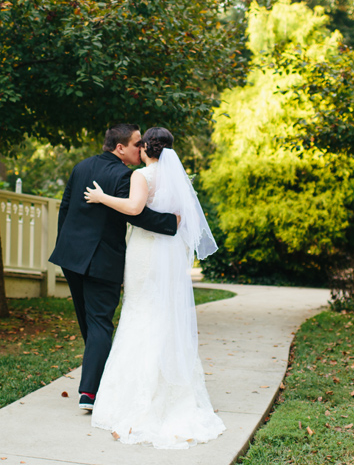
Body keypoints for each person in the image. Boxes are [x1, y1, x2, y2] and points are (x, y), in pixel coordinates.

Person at [84, 126, 225, 449]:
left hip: (145, 253)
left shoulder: (142, 175)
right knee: (161, 313)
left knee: (138, 312)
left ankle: (135, 401)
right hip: (167, 256)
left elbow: (134, 209)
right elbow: (178, 220)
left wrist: (102, 197)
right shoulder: (178, 178)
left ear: (145, 147)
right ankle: (171, 394)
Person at [48, 124, 179, 412]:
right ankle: (90, 393)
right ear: (120, 148)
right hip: (102, 260)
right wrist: (173, 223)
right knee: (99, 325)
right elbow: (139, 215)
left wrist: (66, 244)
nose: (141, 148)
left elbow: (65, 207)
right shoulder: (124, 175)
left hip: (70, 256)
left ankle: (98, 378)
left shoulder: (81, 166)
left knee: (90, 324)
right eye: (136, 144)